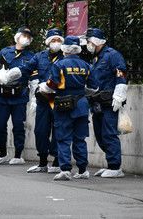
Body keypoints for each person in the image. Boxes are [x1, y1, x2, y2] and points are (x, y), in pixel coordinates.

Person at [39, 36, 91, 180]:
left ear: (64, 48)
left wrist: (41, 87)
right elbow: (93, 86)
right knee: (80, 138)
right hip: (81, 104)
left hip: (64, 103)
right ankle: (82, 170)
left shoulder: (59, 65)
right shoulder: (86, 65)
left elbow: (52, 85)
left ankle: (65, 170)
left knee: (63, 138)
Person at [20, 28, 64, 173]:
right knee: (40, 131)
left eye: (58, 40)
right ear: (48, 42)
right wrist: (12, 74)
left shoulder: (65, 57)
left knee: (59, 130)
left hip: (59, 99)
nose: (56, 43)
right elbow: (26, 69)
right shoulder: (39, 56)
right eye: (53, 40)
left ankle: (57, 162)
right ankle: (42, 162)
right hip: (43, 100)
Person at [86, 28, 127, 178]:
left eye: (89, 41)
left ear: (97, 41)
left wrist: (119, 94)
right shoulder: (96, 58)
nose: (88, 44)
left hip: (110, 102)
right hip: (97, 103)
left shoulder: (112, 55)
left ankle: (115, 167)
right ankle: (111, 164)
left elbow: (121, 74)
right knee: (100, 135)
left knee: (109, 134)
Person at [0, 27, 35, 165]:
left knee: (18, 127)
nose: (26, 38)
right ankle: (2, 153)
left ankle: (17, 155)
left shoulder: (31, 56)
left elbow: (32, 75)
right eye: (24, 35)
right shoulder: (5, 52)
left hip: (19, 96)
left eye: (28, 36)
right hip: (3, 96)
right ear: (17, 36)